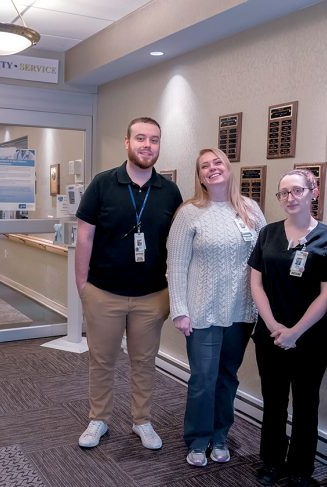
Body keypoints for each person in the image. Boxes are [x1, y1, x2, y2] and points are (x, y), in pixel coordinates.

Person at [75, 116, 183, 450]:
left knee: (144, 362)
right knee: (102, 360)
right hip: (104, 291)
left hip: (151, 296)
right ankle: (99, 419)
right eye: (140, 138)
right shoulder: (103, 184)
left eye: (154, 139)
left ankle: (142, 420)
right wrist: (83, 285)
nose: (147, 145)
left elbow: (177, 244)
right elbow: (85, 236)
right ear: (127, 142)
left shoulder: (169, 191)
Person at [167, 148, 266, 467]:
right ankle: (197, 440)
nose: (212, 169)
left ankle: (220, 436)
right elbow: (176, 264)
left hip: (241, 313)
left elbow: (263, 259)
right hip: (201, 313)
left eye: (218, 163)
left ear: (229, 168)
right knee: (202, 379)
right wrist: (179, 309)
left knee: (227, 378)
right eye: (204, 167)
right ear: (199, 177)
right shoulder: (189, 212)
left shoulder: (250, 209)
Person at [248, 169, 327, 487]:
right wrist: (273, 326)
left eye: (298, 191)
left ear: (314, 192)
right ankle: (271, 461)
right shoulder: (268, 234)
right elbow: (255, 283)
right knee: (273, 401)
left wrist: (295, 331)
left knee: (305, 403)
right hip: (269, 335)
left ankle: (300, 468)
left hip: (310, 338)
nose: (290, 198)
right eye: (284, 193)